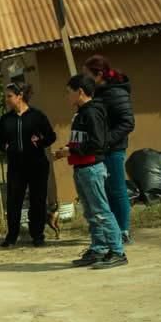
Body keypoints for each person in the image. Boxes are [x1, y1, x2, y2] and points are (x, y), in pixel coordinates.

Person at [54, 75, 127, 269]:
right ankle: (99, 248)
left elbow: (98, 142)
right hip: (81, 168)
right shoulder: (81, 113)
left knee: (101, 210)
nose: (66, 96)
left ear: (80, 91)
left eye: (69, 92)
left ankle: (117, 251)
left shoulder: (92, 112)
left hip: (92, 168)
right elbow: (82, 140)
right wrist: (66, 150)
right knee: (91, 212)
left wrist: (72, 150)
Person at [0, 82, 57, 247]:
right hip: (16, 166)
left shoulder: (37, 116)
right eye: (6, 96)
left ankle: (37, 234)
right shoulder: (5, 120)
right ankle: (12, 236)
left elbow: (51, 136)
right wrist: (5, 147)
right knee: (14, 201)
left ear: (19, 96)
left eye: (10, 96)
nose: (7, 100)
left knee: (38, 199)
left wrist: (40, 141)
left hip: (37, 164)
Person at [83, 55, 135, 243]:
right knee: (105, 190)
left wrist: (107, 141)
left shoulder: (116, 92)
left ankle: (123, 231)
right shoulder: (98, 93)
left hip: (114, 149)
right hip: (101, 149)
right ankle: (113, 230)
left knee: (117, 189)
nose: (85, 78)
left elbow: (128, 123)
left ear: (98, 75)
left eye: (87, 74)